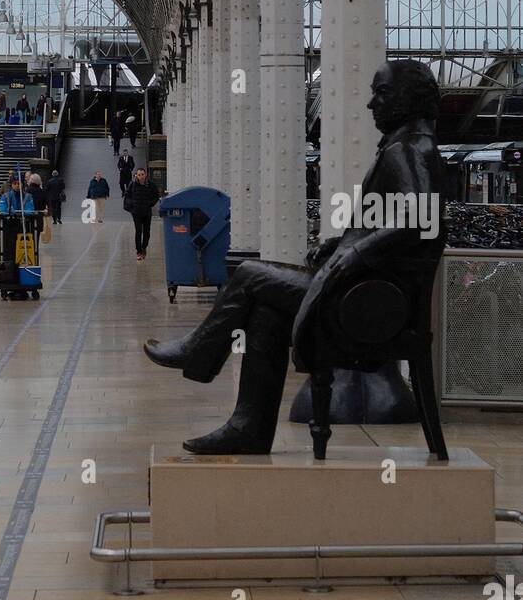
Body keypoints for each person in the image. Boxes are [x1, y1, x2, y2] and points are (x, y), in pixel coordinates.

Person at [143, 60, 445, 455]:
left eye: (382, 93)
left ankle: (198, 351)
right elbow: (388, 225)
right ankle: (248, 428)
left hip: (365, 302)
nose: (372, 104)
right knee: (267, 313)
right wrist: (339, 243)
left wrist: (351, 254)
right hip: (363, 292)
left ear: (410, 98)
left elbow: (418, 221)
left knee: (250, 274)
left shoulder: (410, 149)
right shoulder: (404, 146)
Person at [124, 167, 159, 261]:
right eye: (139, 175)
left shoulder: (150, 185)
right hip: (136, 212)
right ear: (136, 175)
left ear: (145, 174)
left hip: (147, 212)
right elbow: (127, 195)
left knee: (147, 232)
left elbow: (156, 195)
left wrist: (151, 203)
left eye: (142, 174)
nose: (141, 177)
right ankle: (139, 252)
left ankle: (144, 248)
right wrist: (132, 204)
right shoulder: (132, 184)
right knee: (139, 231)